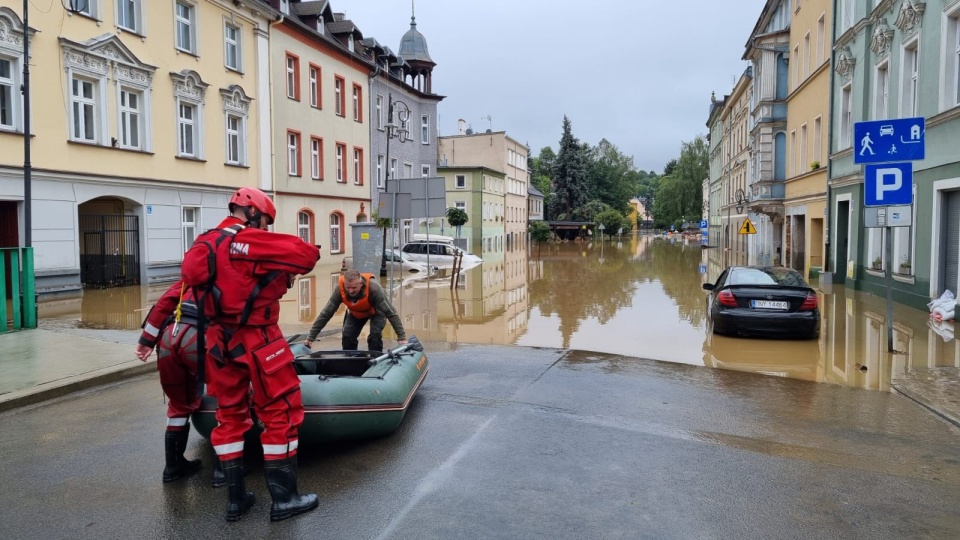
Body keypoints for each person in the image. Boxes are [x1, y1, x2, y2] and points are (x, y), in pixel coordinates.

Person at [180, 187, 320, 523]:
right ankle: (285, 500)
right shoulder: (249, 240)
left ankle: (236, 499)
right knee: (282, 413)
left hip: (217, 342)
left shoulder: (204, 242)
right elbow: (306, 255)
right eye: (265, 221)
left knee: (229, 417)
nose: (266, 228)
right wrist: (277, 270)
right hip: (258, 339)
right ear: (253, 212)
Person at [135, 280, 209, 484]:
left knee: (178, 404)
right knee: (230, 394)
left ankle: (173, 466)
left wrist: (145, 341)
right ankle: (224, 471)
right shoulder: (231, 272)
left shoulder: (189, 278)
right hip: (200, 339)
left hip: (169, 340)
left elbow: (164, 304)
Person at [303, 269, 407, 352]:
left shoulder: (374, 289)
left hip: (376, 311)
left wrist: (401, 337)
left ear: (361, 283)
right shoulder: (340, 289)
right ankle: (350, 359)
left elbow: (391, 313)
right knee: (348, 335)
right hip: (356, 312)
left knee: (375, 334)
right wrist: (310, 338)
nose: (350, 291)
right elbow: (326, 313)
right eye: (347, 287)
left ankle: (375, 357)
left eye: (354, 287)